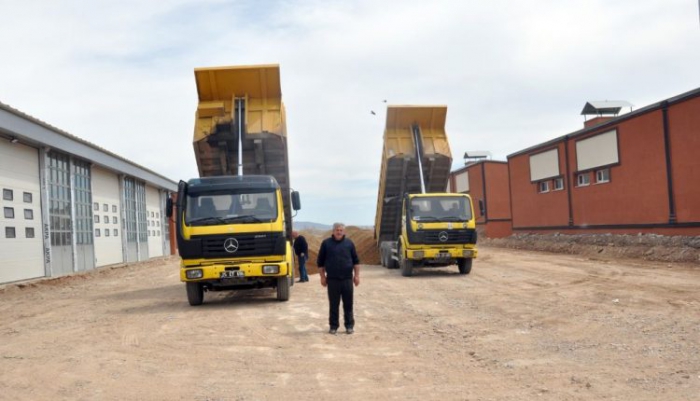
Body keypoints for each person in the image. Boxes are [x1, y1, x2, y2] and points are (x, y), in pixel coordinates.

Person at [316, 223, 360, 335]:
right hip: (332, 280)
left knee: (348, 304)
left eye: (341, 230)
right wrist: (322, 277)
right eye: (337, 230)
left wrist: (357, 276)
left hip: (347, 279)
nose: (339, 232)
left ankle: (349, 326)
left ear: (344, 232)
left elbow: (356, 261)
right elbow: (320, 262)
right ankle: (333, 326)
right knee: (334, 304)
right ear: (333, 231)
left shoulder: (349, 244)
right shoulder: (326, 244)